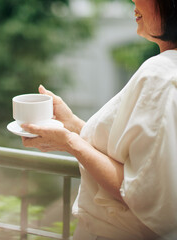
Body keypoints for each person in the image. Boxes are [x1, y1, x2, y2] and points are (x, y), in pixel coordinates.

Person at [21, 0, 177, 239]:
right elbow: (136, 156)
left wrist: (70, 142)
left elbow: (141, 192)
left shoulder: (159, 74)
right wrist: (72, 124)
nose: (134, 1)